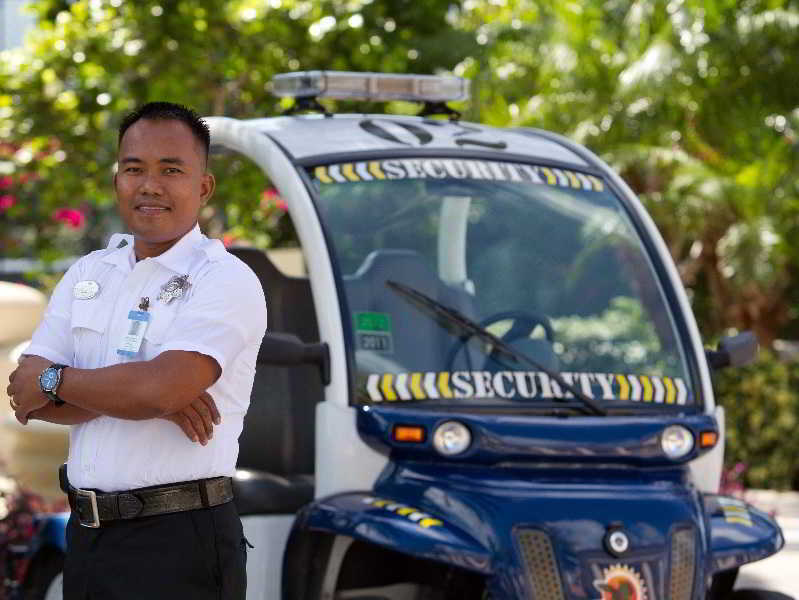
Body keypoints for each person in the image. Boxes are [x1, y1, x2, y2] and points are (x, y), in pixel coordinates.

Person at [5, 101, 267, 599]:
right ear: (117, 179)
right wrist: (145, 399)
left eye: (171, 170)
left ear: (203, 186)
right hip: (87, 538)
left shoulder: (224, 279)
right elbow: (25, 393)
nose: (150, 185)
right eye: (134, 169)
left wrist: (60, 379)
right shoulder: (88, 273)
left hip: (178, 541)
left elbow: (159, 389)